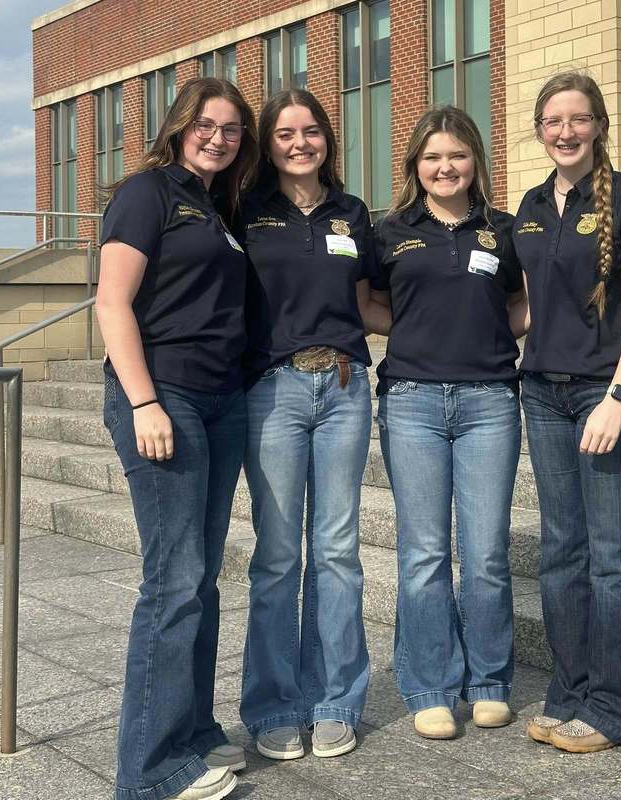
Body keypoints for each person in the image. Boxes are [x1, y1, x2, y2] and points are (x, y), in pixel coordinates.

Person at [96, 77, 258, 800]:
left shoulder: (215, 205)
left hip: (222, 401)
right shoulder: (149, 192)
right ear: (180, 125)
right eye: (206, 124)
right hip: (166, 397)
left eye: (230, 129)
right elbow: (111, 302)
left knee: (200, 578)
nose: (218, 136)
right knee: (173, 581)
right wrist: (144, 402)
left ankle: (192, 733)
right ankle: (151, 769)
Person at [513, 70, 621, 754]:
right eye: (553, 121)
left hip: (606, 395)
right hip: (542, 393)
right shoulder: (533, 202)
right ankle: (569, 691)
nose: (565, 131)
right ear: (541, 129)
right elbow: (526, 307)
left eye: (578, 119)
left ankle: (617, 709)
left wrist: (619, 396)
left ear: (600, 125)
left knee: (610, 556)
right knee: (560, 554)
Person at [236, 88, 388, 762]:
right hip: (272, 391)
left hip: (346, 389)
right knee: (276, 556)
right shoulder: (246, 210)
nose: (300, 144)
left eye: (312, 132)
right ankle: (273, 706)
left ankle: (333, 702)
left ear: (328, 138)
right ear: (268, 144)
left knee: (336, 551)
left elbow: (368, 304)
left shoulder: (352, 214)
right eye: (286, 134)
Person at [370, 105, 524, 740]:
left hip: (490, 400)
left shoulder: (505, 230)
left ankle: (488, 682)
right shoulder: (389, 232)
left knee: (486, 551)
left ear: (475, 163)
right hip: (412, 401)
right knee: (425, 551)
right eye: (432, 157)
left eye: (457, 155)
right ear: (415, 166)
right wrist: (418, 335)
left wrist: (488, 335)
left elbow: (524, 302)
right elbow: (365, 306)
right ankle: (430, 686)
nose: (445, 167)